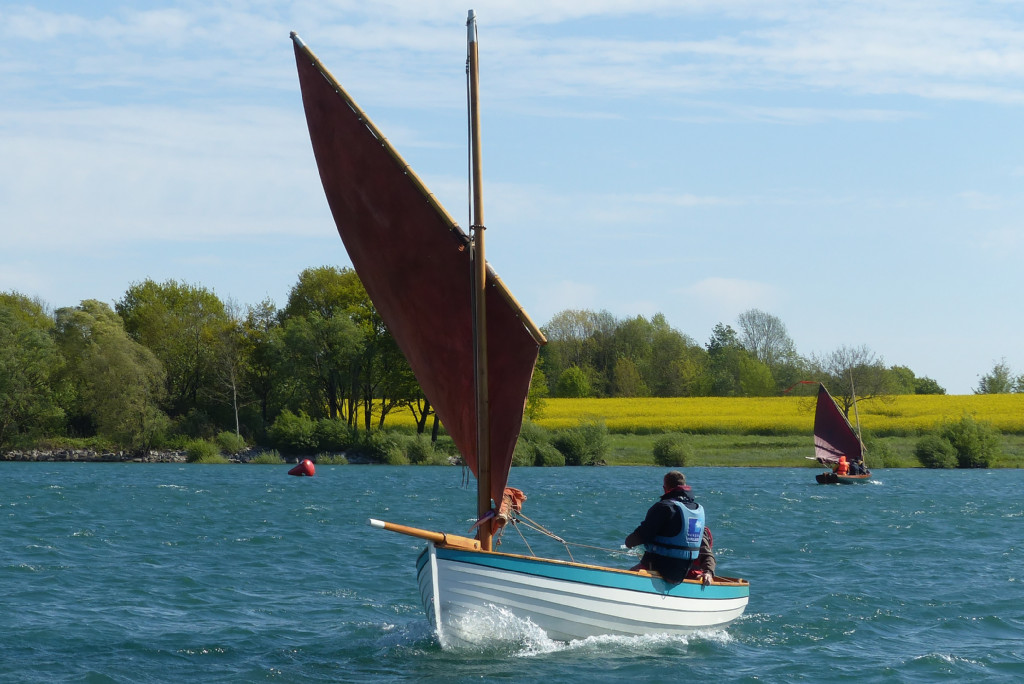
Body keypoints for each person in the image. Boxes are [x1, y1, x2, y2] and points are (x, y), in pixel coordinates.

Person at [625, 471, 710, 584]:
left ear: (665, 488)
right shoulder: (696, 511)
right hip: (683, 572)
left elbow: (642, 534)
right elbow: (704, 549)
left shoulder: (664, 507)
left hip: (658, 567)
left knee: (628, 576)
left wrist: (628, 542)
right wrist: (709, 571)